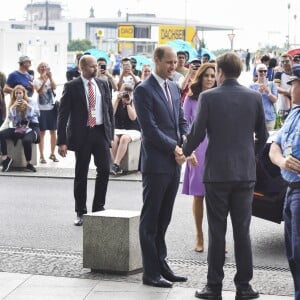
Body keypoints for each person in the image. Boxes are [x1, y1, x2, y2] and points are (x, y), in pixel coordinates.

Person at [182, 52, 268, 300]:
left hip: (217, 174)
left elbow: (196, 133)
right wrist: (250, 157)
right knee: (242, 231)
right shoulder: (254, 97)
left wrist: (184, 152)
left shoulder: (209, 97)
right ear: (239, 70)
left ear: (219, 71)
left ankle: (214, 286)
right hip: (244, 174)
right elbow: (263, 136)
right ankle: (244, 286)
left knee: (216, 231)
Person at [133, 45, 193, 288]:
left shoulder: (173, 87)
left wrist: (186, 141)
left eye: (175, 62)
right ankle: (151, 272)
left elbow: (181, 120)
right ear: (156, 61)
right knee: (151, 219)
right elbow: (149, 130)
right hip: (157, 163)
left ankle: (162, 264)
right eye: (169, 62)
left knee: (165, 217)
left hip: (173, 161)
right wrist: (174, 147)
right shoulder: (143, 90)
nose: (173, 66)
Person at [57, 54, 114, 226]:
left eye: (96, 65)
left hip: (100, 132)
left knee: (104, 170)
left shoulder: (103, 84)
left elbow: (108, 110)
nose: (95, 68)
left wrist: (110, 135)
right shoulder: (71, 86)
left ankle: (98, 208)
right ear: (82, 67)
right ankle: (81, 212)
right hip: (82, 134)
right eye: (91, 66)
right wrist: (62, 141)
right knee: (81, 174)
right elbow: (63, 114)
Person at [269, 64, 300, 300]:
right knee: (293, 253)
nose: (291, 88)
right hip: (290, 191)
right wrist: (282, 162)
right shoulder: (294, 114)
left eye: (294, 84)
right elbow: (275, 147)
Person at [182, 62, 216, 253]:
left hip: (216, 149)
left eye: (213, 75)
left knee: (217, 197)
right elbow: (185, 127)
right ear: (200, 77)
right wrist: (189, 152)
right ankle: (199, 236)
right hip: (197, 150)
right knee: (199, 195)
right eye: (206, 75)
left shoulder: (218, 97)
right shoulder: (191, 99)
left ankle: (217, 237)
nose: (210, 79)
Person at [0, 85, 40, 172]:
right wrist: (12, 107)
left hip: (32, 126)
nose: (18, 95)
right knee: (1, 134)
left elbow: (37, 114)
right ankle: (6, 158)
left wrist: (27, 106)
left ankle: (29, 163)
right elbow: (12, 119)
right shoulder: (13, 103)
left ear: (24, 93)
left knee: (26, 140)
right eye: (16, 93)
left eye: (20, 93)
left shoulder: (31, 101)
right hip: (18, 127)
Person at [110, 83, 140, 175]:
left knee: (124, 138)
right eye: (124, 92)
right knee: (112, 139)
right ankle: (116, 166)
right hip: (118, 129)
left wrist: (128, 104)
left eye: (129, 93)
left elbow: (133, 117)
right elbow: (111, 114)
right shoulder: (116, 101)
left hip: (133, 130)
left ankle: (116, 164)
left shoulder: (134, 102)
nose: (126, 95)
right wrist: (117, 100)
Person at [33, 62, 58, 164]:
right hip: (41, 109)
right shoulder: (36, 80)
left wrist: (50, 78)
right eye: (41, 67)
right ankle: (42, 156)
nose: (43, 69)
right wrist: (43, 80)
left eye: (45, 67)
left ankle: (52, 154)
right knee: (42, 133)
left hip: (51, 108)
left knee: (53, 132)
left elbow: (54, 87)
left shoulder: (50, 78)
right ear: (38, 69)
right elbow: (38, 91)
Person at [249, 63, 278, 131]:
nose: (263, 72)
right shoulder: (252, 86)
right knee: (258, 140)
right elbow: (251, 103)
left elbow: (275, 100)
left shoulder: (272, 84)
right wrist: (259, 93)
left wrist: (268, 92)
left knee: (269, 140)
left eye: (265, 71)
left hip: (269, 118)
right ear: (257, 72)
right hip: (257, 118)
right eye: (260, 71)